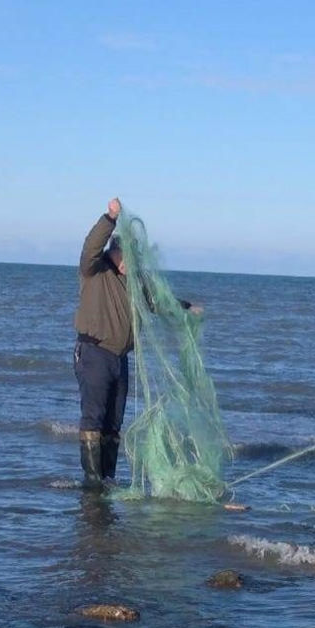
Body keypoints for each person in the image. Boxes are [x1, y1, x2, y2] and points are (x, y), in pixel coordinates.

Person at [72, 198, 197, 488]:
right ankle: (92, 482)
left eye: (133, 256)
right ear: (113, 252)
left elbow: (157, 301)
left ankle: (107, 479)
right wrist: (110, 217)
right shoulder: (94, 270)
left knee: (114, 424)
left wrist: (186, 308)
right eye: (124, 255)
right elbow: (91, 246)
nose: (129, 262)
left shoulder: (134, 280)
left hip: (120, 359)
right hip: (94, 352)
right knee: (94, 417)